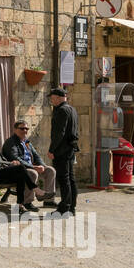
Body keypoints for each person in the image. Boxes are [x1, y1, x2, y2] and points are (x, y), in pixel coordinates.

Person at [0, 127, 40, 212]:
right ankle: (34, 188)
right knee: (20, 168)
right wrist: (10, 164)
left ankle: (20, 205)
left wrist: (13, 162)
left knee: (20, 177)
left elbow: (3, 161)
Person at [2, 120, 57, 206]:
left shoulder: (26, 142)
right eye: (22, 128)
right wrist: (33, 167)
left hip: (30, 166)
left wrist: (43, 166)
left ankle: (48, 201)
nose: (25, 131)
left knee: (50, 170)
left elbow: (36, 155)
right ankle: (27, 202)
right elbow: (15, 158)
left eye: (26, 128)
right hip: (18, 170)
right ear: (15, 129)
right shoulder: (10, 142)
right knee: (32, 173)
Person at [47, 88, 80, 216]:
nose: (51, 100)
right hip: (70, 148)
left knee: (64, 178)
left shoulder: (61, 110)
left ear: (58, 97)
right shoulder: (72, 109)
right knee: (71, 178)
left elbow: (59, 133)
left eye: (52, 97)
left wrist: (52, 150)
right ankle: (72, 207)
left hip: (62, 150)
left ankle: (64, 208)